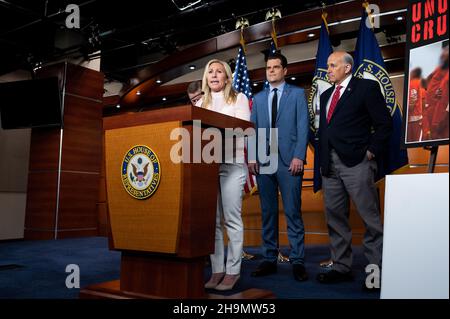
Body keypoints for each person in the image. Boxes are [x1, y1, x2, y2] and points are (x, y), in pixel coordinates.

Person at [317, 51, 392, 287]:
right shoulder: (326, 94)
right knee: (335, 218)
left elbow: (384, 124)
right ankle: (341, 267)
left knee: (370, 220)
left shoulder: (366, 88)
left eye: (332, 65)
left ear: (347, 68)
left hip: (358, 162)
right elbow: (326, 130)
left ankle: (374, 273)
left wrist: (370, 151)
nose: (328, 69)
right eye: (328, 65)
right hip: (329, 165)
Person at [248, 53, 309, 282]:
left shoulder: (297, 95)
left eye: (275, 67)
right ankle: (269, 258)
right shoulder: (259, 98)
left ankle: (298, 260)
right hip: (264, 161)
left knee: (293, 211)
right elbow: (252, 129)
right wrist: (252, 157)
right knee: (268, 212)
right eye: (268, 68)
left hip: (289, 161)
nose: (271, 71)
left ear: (285, 70)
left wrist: (299, 156)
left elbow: (303, 127)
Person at [196, 59, 250, 291]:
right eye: (210, 72)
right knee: (213, 223)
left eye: (219, 71)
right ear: (205, 78)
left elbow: (244, 129)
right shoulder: (199, 102)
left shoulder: (238, 99)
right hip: (207, 167)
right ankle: (217, 269)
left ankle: (233, 271)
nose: (214, 75)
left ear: (227, 77)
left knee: (231, 219)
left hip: (232, 164)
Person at [423, 41, 449, 140]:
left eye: (447, 50)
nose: (443, 53)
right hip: (432, 124)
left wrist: (439, 123)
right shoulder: (438, 70)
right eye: (444, 50)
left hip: (442, 125)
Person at [407, 68, 424, 142]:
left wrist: (406, 115)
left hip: (412, 119)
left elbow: (412, 101)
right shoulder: (418, 82)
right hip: (417, 118)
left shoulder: (413, 83)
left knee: (412, 143)